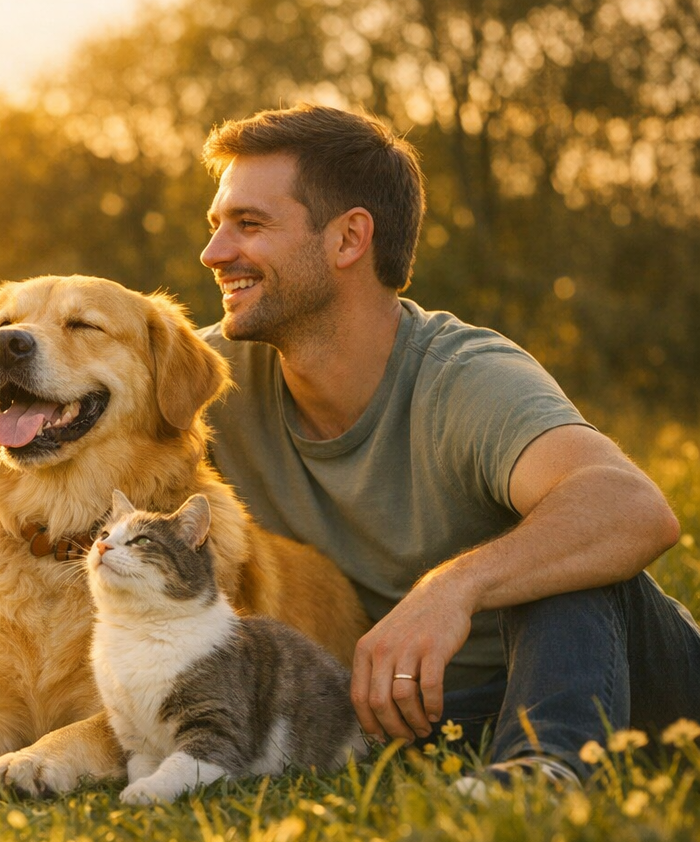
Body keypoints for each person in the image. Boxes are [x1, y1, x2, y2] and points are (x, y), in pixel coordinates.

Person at [192, 103, 700, 788]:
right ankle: (500, 770)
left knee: (566, 541)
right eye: (217, 225)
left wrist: (452, 588)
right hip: (430, 719)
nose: (214, 252)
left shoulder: (466, 377)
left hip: (641, 691)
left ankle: (540, 774)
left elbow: (633, 509)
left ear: (348, 240)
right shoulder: (208, 381)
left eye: (248, 224)